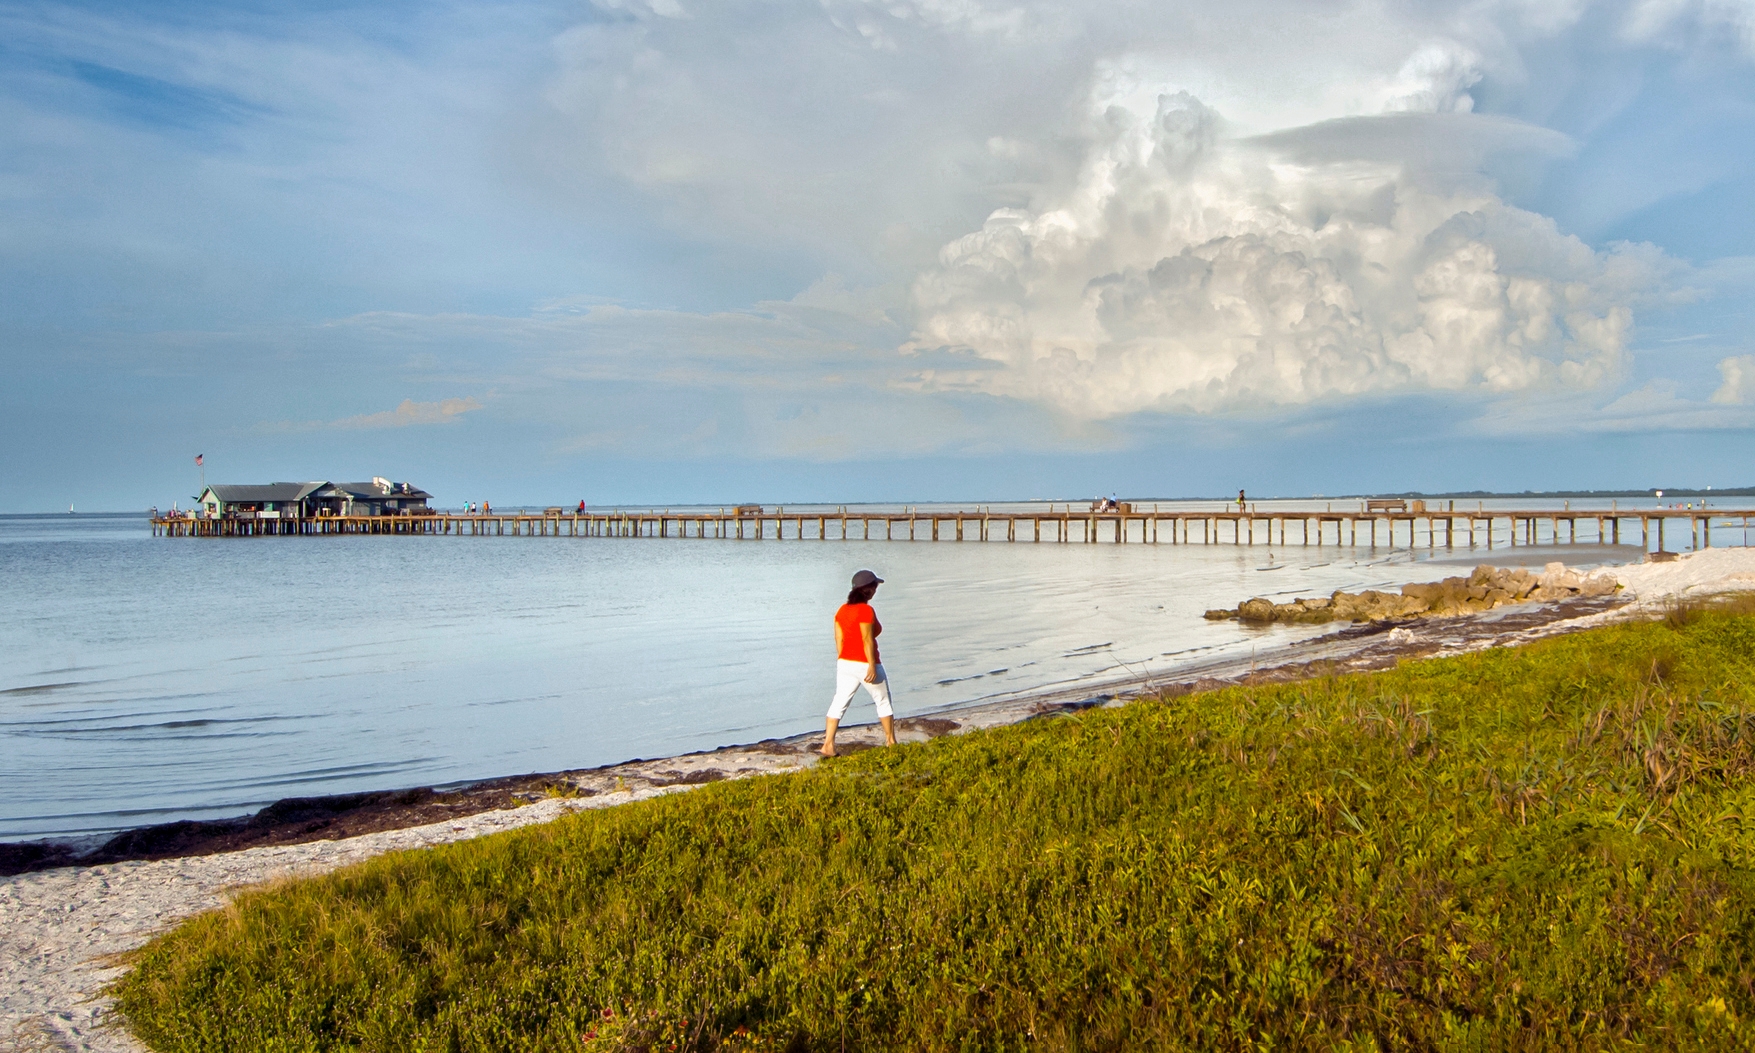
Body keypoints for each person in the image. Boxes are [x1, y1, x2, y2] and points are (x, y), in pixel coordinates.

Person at [822, 569, 896, 757]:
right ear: (869, 590)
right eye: (875, 587)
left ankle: (828, 745)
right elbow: (867, 639)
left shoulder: (842, 610)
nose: (876, 590)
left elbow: (838, 638)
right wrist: (871, 664)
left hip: (845, 663)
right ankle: (891, 741)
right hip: (865, 663)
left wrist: (843, 658)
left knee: (839, 702)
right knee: (883, 701)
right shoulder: (866, 610)